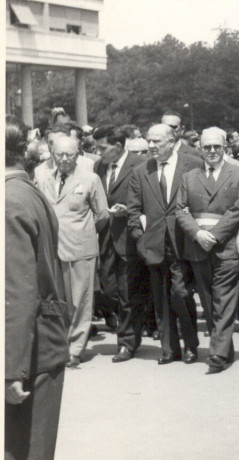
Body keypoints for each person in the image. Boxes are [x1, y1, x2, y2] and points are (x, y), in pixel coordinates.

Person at [5, 115, 70, 460]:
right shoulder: (27, 192)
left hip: (28, 353)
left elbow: (15, 293)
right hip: (42, 343)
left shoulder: (8, 201)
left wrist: (10, 370)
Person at [175, 127, 239, 374]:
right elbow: (181, 210)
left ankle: (217, 353)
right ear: (201, 149)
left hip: (225, 247)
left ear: (225, 147)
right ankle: (224, 349)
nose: (212, 151)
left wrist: (215, 236)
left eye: (216, 147)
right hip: (197, 248)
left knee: (223, 300)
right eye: (207, 147)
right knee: (208, 303)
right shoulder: (189, 177)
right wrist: (197, 233)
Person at [128, 124, 203, 366]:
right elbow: (133, 211)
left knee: (181, 293)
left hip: (183, 243)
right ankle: (170, 349)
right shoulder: (141, 171)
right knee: (160, 299)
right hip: (154, 245)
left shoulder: (191, 164)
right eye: (149, 141)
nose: (151, 146)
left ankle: (191, 345)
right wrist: (141, 239)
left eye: (156, 141)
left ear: (171, 142)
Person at [38, 136, 109, 369]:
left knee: (80, 301)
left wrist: (85, 231)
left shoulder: (90, 179)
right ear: (52, 154)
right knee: (57, 300)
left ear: (78, 153)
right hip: (52, 249)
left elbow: (103, 214)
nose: (65, 159)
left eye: (70, 154)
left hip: (81, 248)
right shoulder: (44, 178)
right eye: (60, 154)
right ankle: (58, 345)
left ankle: (75, 349)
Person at [93, 126, 148, 362]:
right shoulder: (99, 167)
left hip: (128, 237)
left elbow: (149, 199)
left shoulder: (140, 165)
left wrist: (131, 211)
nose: (98, 152)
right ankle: (134, 328)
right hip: (105, 238)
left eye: (102, 148)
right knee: (109, 289)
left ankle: (127, 342)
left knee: (127, 292)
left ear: (117, 147)